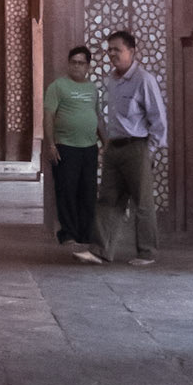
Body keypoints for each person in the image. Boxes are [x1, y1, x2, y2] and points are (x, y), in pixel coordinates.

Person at [97, 29, 168, 266]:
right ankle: (100, 250)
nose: (112, 54)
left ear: (132, 51)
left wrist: (150, 150)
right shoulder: (113, 80)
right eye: (109, 50)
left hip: (136, 147)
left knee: (142, 202)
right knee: (108, 200)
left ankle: (146, 253)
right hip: (114, 148)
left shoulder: (144, 80)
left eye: (117, 49)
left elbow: (158, 120)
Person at [43, 45, 102, 261]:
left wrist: (105, 143)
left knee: (87, 191)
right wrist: (51, 144)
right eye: (73, 62)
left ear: (87, 66)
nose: (76, 66)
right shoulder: (58, 87)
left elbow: (97, 117)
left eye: (81, 63)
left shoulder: (92, 89)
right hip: (65, 146)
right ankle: (68, 233)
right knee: (66, 191)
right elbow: (48, 116)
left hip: (89, 147)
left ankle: (85, 233)